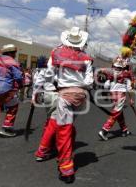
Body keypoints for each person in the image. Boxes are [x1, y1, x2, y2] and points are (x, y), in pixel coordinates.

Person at [34, 27, 93, 184]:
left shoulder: (56, 54)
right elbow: (89, 82)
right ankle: (61, 155)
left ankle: (66, 168)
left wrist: (47, 87)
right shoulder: (86, 58)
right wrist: (78, 84)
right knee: (67, 126)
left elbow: (48, 74)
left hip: (64, 95)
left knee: (63, 130)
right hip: (80, 97)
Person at [98, 52, 133, 141]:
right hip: (120, 95)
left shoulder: (110, 74)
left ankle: (124, 130)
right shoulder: (127, 75)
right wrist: (131, 99)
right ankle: (104, 130)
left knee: (119, 112)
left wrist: (105, 93)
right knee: (116, 112)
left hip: (113, 95)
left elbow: (106, 85)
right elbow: (129, 88)